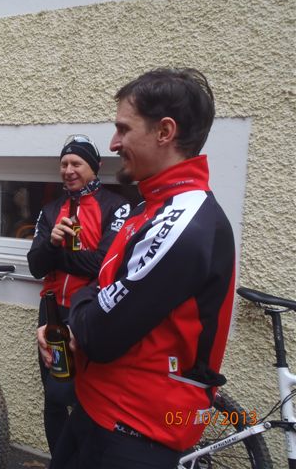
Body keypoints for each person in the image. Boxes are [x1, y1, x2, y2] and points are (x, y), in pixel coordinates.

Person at [38, 68, 235, 468]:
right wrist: (85, 309)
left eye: (124, 129)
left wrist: (83, 310)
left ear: (165, 131)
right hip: (98, 411)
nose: (114, 143)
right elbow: (93, 285)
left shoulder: (182, 218)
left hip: (133, 433)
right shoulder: (150, 207)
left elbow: (100, 332)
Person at [27, 134, 130, 457]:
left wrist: (56, 255)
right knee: (54, 398)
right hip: (52, 313)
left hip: (90, 312)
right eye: (64, 164)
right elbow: (35, 265)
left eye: (76, 163)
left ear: (94, 167)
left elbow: (103, 265)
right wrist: (51, 244)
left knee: (85, 398)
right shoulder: (50, 210)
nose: (68, 170)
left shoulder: (117, 206)